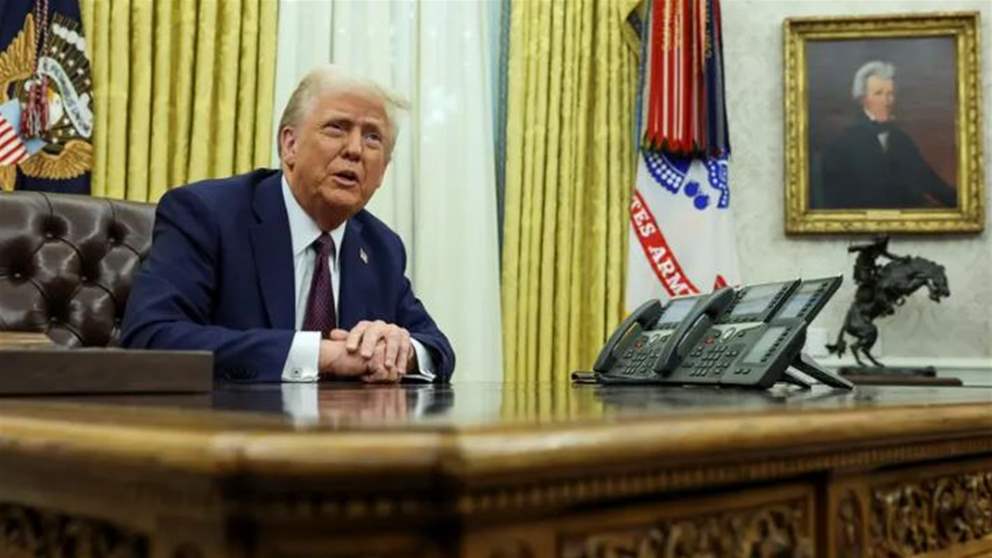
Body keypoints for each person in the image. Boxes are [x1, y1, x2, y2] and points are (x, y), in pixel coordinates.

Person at [121, 65, 455, 384]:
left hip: (344, 424)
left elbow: (438, 349)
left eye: (372, 138)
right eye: (337, 128)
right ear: (289, 145)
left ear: (382, 171)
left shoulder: (380, 246)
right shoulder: (206, 214)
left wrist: (400, 351)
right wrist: (320, 355)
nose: (355, 150)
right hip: (230, 421)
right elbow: (150, 336)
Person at [815, 60, 956, 210]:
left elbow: (929, 180)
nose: (887, 101)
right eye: (878, 93)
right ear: (862, 99)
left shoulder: (901, 139)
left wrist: (964, 205)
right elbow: (836, 202)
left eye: (890, 94)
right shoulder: (843, 144)